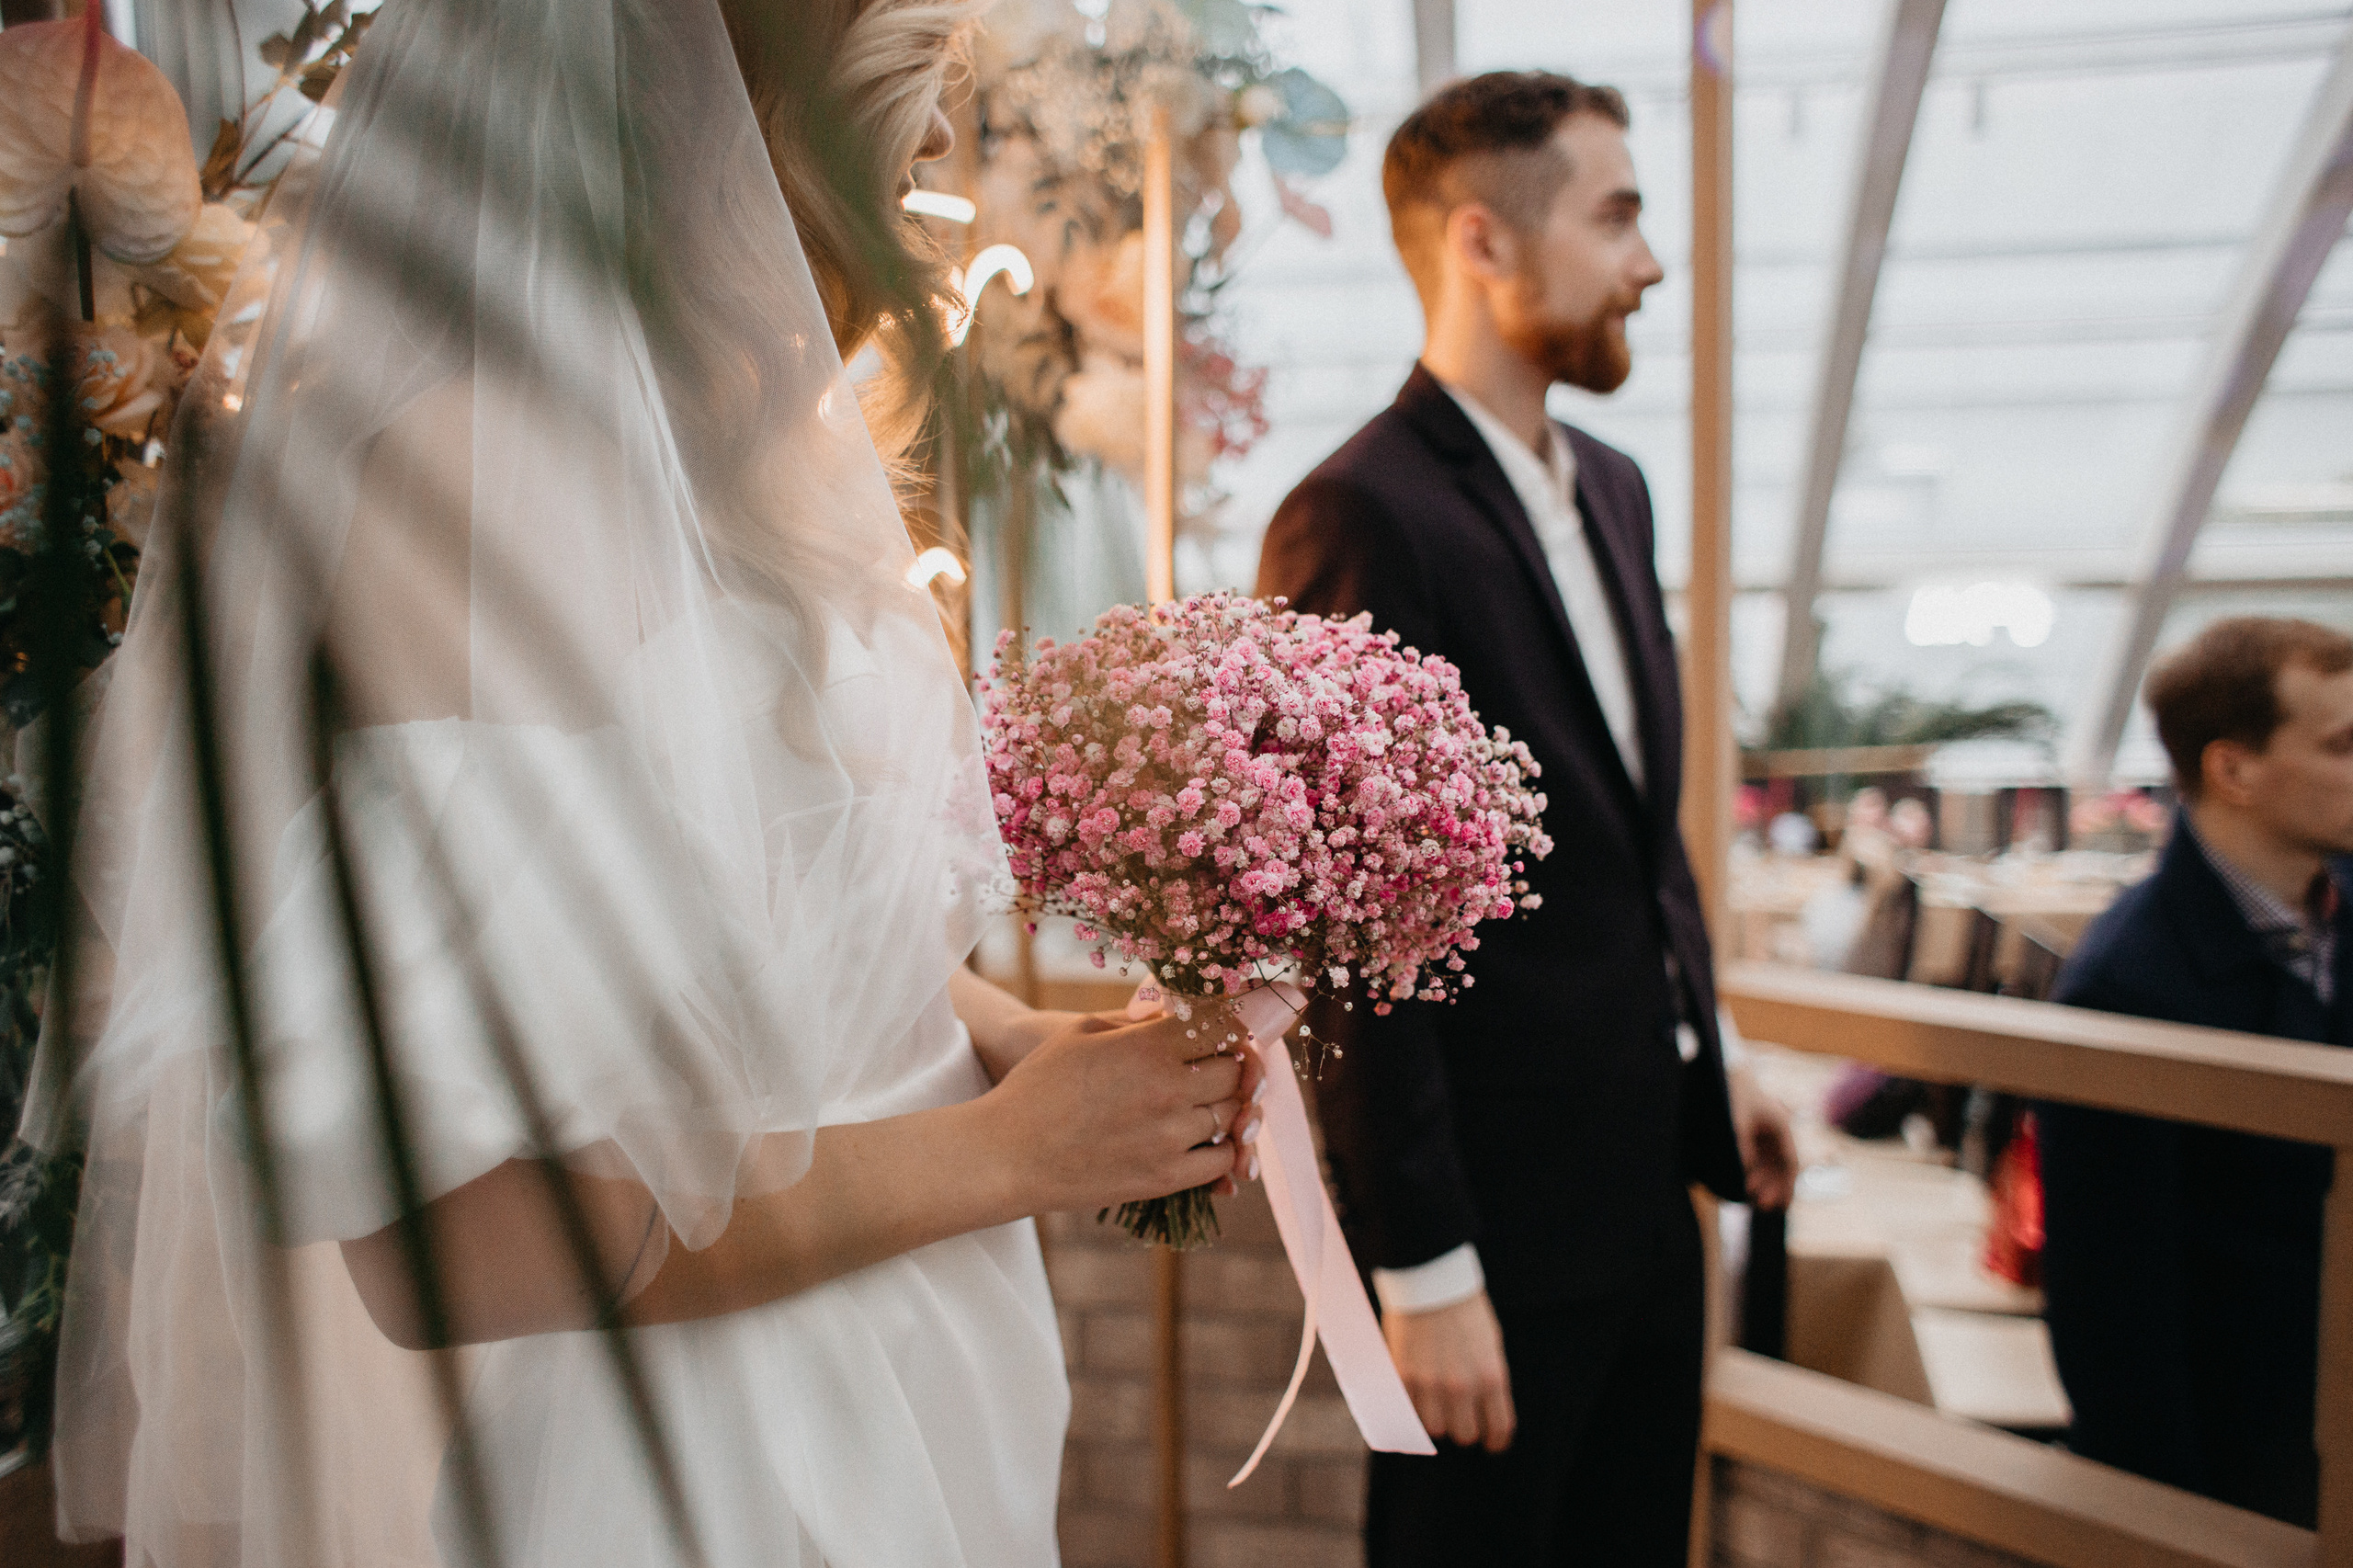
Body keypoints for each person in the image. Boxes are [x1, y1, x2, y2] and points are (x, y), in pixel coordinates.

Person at [26, 2, 1265, 1563]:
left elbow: (776, 910)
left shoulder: (763, 457)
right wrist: (1008, 1157)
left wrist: (1018, 1043)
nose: (925, 244)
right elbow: (443, 1239)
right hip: (706, 1463)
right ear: (726, 169)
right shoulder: (474, 478)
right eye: (896, 185)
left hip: (930, 1388)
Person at [1254, 71, 1797, 1567]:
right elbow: (1340, 930)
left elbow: (1633, 818)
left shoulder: (1614, 489)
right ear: (1482, 243)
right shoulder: (1359, 514)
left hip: (1649, 1194)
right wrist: (1421, 1267)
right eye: (1618, 215)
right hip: (1487, 1239)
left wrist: (1718, 1042)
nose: (1652, 259)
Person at [2040, 616, 2353, 1526]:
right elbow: (2116, 1322)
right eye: (2340, 742)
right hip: (2254, 1471)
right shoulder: (2126, 985)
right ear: (2233, 768)